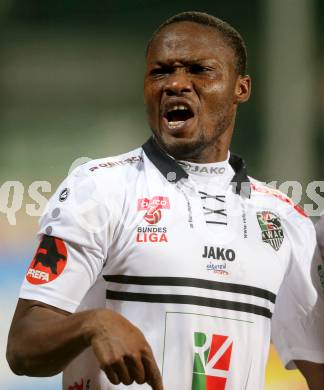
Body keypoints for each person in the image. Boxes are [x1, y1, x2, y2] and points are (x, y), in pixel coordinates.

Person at [6, 11, 324, 390]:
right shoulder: (99, 188)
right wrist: (93, 324)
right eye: (160, 72)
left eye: (198, 70)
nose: (176, 83)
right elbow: (23, 347)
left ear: (241, 88)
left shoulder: (285, 221)